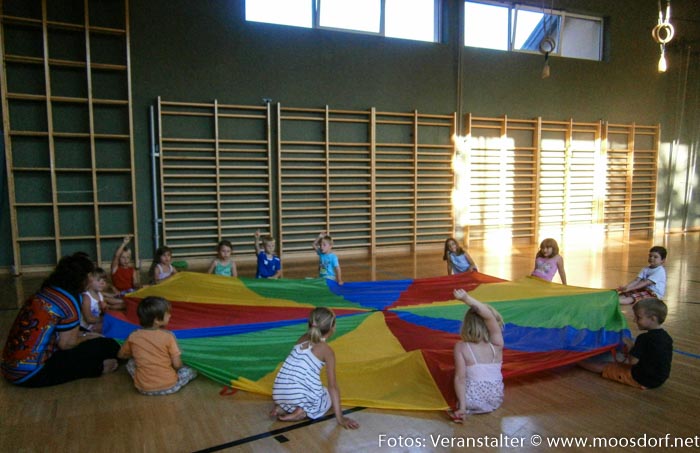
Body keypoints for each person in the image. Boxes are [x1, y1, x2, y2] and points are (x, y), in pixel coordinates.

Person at [1, 253, 120, 387]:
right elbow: (67, 344)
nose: (92, 278)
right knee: (108, 346)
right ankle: (97, 367)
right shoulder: (69, 300)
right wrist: (86, 337)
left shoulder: (47, 291)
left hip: (9, 367)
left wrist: (83, 334)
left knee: (86, 334)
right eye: (91, 275)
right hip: (31, 373)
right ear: (83, 278)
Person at [270, 307, 359, 429]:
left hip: (278, 392)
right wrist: (340, 418)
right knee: (326, 397)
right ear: (332, 328)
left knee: (300, 390)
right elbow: (332, 386)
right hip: (296, 394)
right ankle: (301, 412)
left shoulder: (303, 338)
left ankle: (282, 408)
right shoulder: (326, 350)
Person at [578, 297, 672, 389]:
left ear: (653, 319)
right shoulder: (667, 337)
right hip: (660, 378)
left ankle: (578, 362)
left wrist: (630, 346)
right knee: (619, 362)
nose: (634, 320)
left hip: (642, 379)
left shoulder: (644, 338)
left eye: (638, 317)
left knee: (604, 366)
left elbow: (633, 362)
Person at [117, 296, 198, 395]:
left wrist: (138, 353)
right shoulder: (168, 336)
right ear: (157, 320)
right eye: (167, 313)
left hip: (143, 388)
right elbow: (177, 365)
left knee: (130, 363)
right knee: (191, 370)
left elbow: (121, 355)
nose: (170, 316)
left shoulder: (133, 336)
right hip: (170, 386)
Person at [449, 288, 504, 422]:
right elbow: (489, 317)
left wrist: (462, 407)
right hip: (495, 399)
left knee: (451, 377)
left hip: (471, 400)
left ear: (467, 324)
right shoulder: (497, 345)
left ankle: (464, 409)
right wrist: (467, 299)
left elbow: (460, 378)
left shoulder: (461, 347)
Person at [80, 267, 109, 333]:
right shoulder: (86, 297)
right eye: (98, 280)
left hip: (95, 323)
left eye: (104, 280)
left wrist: (105, 308)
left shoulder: (100, 295)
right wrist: (104, 319)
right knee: (110, 325)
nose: (102, 283)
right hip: (85, 328)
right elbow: (88, 319)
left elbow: (104, 313)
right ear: (90, 281)